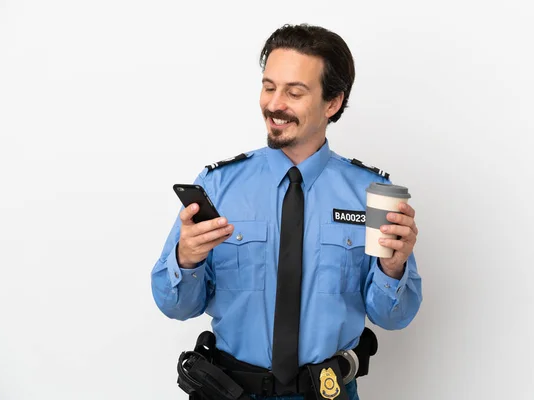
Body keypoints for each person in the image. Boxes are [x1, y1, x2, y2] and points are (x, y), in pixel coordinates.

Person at [151, 23, 422, 400]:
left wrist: (393, 268)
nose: (275, 104)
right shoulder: (219, 186)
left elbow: (393, 317)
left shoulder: (370, 196)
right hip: (229, 391)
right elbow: (175, 306)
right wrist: (188, 259)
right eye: (269, 86)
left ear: (333, 102)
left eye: (294, 92)